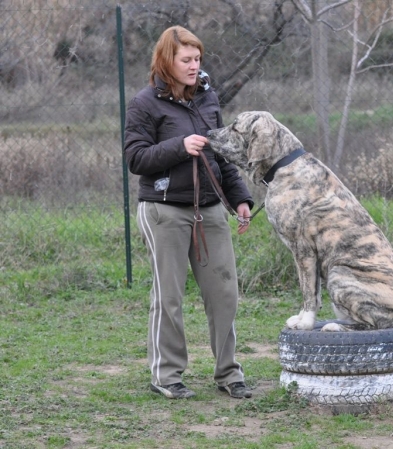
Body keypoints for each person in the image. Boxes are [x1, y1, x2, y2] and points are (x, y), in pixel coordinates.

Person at [124, 25, 254, 399]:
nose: (194, 65)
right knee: (169, 297)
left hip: (210, 210)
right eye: (186, 60)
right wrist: (179, 146)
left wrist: (240, 197)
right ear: (167, 61)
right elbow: (136, 158)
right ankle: (166, 376)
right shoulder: (144, 104)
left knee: (224, 293)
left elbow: (222, 154)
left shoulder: (208, 99)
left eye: (198, 58)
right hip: (163, 211)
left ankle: (229, 373)